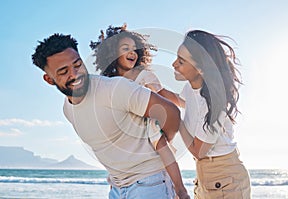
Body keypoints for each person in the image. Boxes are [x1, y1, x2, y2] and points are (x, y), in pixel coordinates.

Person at [32, 33, 181, 199]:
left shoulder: (116, 89)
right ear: (49, 79)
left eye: (77, 65)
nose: (74, 74)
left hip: (149, 183)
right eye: (63, 71)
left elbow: (172, 113)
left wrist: (159, 141)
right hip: (116, 188)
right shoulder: (68, 109)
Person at [90, 24, 189, 199]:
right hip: (126, 136)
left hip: (146, 124)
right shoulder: (108, 82)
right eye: (125, 48)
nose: (132, 52)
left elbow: (164, 94)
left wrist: (186, 103)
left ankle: (180, 190)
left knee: (162, 146)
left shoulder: (142, 75)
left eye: (135, 49)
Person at [172, 30, 251, 198]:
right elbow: (180, 101)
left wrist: (176, 121)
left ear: (200, 68)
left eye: (181, 61)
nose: (173, 64)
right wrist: (152, 89)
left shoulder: (215, 103)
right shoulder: (191, 88)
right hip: (205, 176)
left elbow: (198, 151)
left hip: (226, 180)